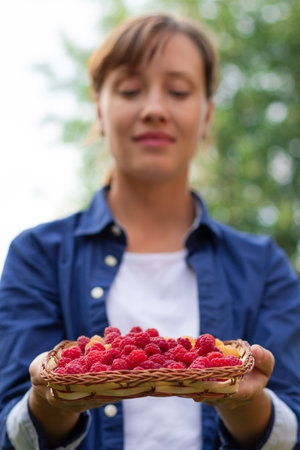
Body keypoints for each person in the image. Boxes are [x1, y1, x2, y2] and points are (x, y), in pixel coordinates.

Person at [0, 12, 300, 450]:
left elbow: (293, 426)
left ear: (207, 116)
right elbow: (10, 431)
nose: (154, 109)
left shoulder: (263, 265)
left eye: (178, 91)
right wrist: (52, 403)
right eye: (129, 90)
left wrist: (244, 403)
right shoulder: (37, 256)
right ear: (98, 109)